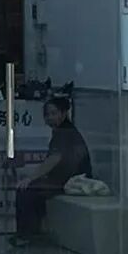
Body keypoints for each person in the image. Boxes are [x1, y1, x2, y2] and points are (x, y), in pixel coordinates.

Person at [13, 96, 92, 245]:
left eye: (53, 113)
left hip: (71, 180)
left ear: (63, 114)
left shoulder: (65, 133)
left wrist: (30, 179)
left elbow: (54, 159)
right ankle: (35, 231)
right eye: (47, 114)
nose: (49, 117)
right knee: (34, 191)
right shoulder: (63, 131)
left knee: (27, 191)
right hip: (65, 178)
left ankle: (27, 235)